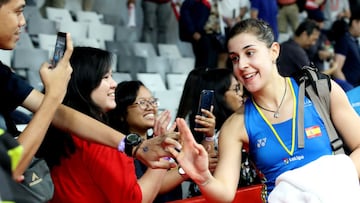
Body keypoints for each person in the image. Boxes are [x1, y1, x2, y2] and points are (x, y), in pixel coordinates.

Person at [0, 0, 179, 200]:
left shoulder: (64, 133)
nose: (23, 21)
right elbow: (12, 167)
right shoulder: (95, 144)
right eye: (105, 77)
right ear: (83, 85)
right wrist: (55, 93)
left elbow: (59, 113)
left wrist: (133, 146)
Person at [170, 18, 360, 202]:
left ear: (274, 51)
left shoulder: (319, 90)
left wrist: (332, 182)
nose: (242, 65)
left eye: (250, 53)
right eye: (234, 58)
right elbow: (225, 193)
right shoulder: (236, 125)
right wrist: (204, 178)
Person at [37, 47, 173, 203]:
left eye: (112, 76)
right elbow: (134, 200)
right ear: (84, 82)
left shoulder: (53, 127)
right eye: (105, 77)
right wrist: (164, 150)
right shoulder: (100, 140)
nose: (114, 84)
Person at [108, 80, 185, 202]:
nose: (151, 107)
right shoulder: (124, 150)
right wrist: (187, 168)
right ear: (121, 114)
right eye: (142, 103)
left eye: (152, 101)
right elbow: (153, 187)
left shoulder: (158, 139)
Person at [179, 0, 226, 69]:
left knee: (212, 64)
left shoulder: (217, 2)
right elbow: (185, 13)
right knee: (203, 64)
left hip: (215, 36)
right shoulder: (197, 2)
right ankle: (199, 79)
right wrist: (193, 31)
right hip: (202, 35)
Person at [332, 14, 360, 87]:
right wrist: (348, 88)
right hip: (349, 89)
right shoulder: (344, 40)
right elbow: (336, 69)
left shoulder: (354, 41)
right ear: (354, 22)